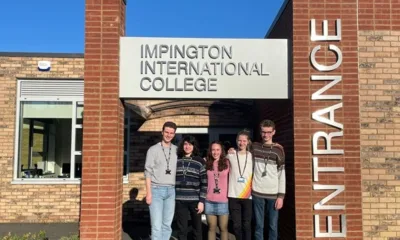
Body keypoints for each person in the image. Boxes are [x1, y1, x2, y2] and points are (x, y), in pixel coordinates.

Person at [252, 119, 286, 240]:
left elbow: (282, 174)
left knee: (272, 226)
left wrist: (281, 196)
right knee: (258, 226)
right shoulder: (254, 147)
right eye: (263, 132)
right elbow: (242, 150)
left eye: (268, 132)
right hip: (257, 192)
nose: (266, 135)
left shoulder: (278, 150)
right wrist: (232, 150)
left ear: (273, 132)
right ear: (260, 132)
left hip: (273, 193)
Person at [144, 121, 178, 240]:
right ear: (162, 132)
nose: (169, 135)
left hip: (171, 191)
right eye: (166, 132)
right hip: (156, 190)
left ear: (174, 134)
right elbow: (147, 172)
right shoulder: (153, 150)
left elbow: (191, 156)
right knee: (156, 226)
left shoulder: (176, 150)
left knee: (167, 225)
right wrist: (149, 193)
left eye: (171, 133)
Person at [175, 135, 208, 240]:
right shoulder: (177, 161)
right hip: (180, 200)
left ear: (194, 146)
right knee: (182, 229)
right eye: (185, 144)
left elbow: (204, 183)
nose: (187, 146)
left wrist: (202, 201)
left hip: (195, 200)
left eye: (190, 144)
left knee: (197, 229)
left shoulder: (200, 162)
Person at [227, 130, 253, 240]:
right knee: (236, 225)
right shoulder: (230, 155)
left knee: (246, 225)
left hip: (248, 195)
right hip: (233, 194)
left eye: (244, 141)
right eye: (239, 140)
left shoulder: (252, 156)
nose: (241, 143)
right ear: (236, 141)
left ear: (248, 142)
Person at [204, 141, 230, 240]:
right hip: (209, 200)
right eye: (213, 150)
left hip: (223, 201)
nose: (215, 152)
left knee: (223, 228)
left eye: (218, 150)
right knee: (211, 228)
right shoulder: (206, 162)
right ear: (210, 151)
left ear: (221, 151)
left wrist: (232, 151)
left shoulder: (227, 162)